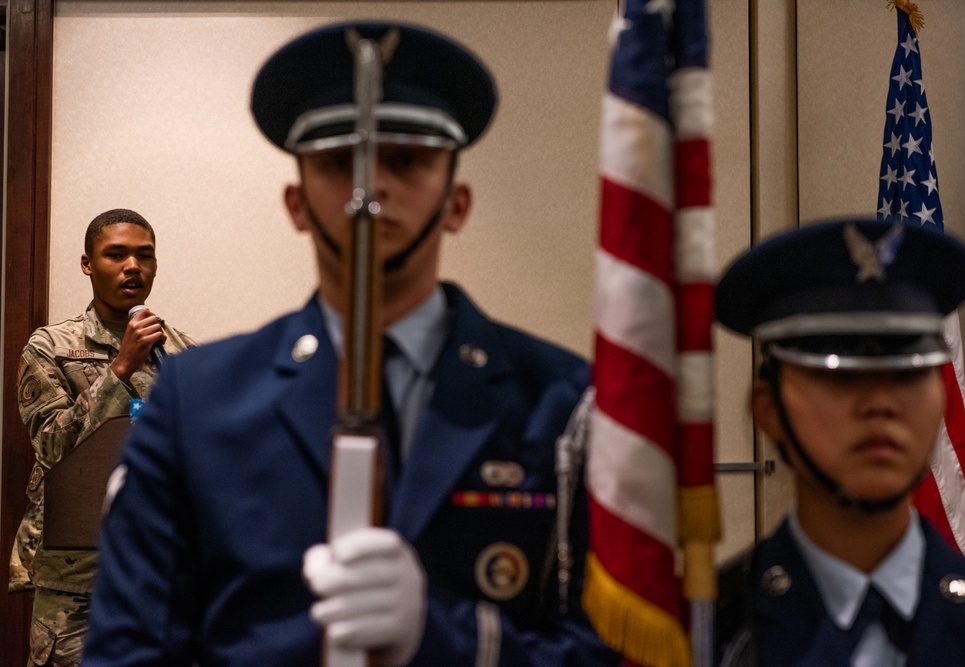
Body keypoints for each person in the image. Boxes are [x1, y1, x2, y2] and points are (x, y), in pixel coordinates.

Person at [83, 21, 617, 666]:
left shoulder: (562, 402)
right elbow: (131, 647)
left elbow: (609, 649)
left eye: (408, 160)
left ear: (457, 202)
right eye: (340, 163)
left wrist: (454, 639)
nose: (373, 189)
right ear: (297, 202)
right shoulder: (197, 401)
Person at [713, 218, 965, 666]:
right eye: (840, 375)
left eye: (910, 373)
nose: (881, 404)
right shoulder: (701, 637)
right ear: (768, 409)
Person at [9, 208, 195, 667]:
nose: (133, 266)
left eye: (144, 256)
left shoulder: (182, 350)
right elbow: (50, 446)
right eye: (116, 254)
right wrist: (120, 368)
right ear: (87, 264)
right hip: (75, 582)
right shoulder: (49, 347)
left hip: (159, 570)